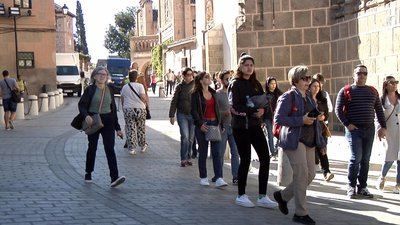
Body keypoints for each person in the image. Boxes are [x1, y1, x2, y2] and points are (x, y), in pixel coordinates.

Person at [273, 65, 324, 225]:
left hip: (309, 140)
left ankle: (283, 196)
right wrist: (300, 120)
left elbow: (311, 117)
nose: (308, 81)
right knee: (301, 175)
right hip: (294, 140)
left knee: (310, 175)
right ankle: (301, 213)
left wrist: (317, 118)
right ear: (295, 80)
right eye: (304, 78)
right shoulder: (288, 97)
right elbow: (279, 119)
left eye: (309, 78)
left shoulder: (308, 96)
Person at [229, 53, 277, 208]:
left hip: (255, 125)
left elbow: (262, 102)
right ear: (240, 66)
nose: (249, 67)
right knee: (245, 160)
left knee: (265, 157)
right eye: (246, 65)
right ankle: (241, 195)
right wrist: (251, 111)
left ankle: (262, 196)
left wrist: (262, 110)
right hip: (241, 127)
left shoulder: (256, 83)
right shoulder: (235, 84)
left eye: (251, 65)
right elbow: (234, 106)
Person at [335, 64, 386, 199]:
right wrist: (347, 124)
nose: (362, 75)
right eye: (359, 73)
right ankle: (351, 186)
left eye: (364, 73)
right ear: (354, 75)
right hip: (354, 130)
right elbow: (338, 110)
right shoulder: (346, 90)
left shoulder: (373, 91)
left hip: (369, 129)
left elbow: (379, 110)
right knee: (355, 158)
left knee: (366, 159)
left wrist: (383, 126)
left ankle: (362, 186)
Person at [78, 67, 126, 188]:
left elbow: (113, 110)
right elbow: (82, 105)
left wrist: (118, 128)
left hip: (108, 121)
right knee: (92, 147)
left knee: (110, 148)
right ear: (94, 76)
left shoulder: (109, 89)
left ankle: (114, 177)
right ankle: (88, 172)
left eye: (104, 74)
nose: (102, 76)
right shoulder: (90, 90)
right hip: (94, 120)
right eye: (100, 74)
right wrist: (86, 116)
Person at [191, 71, 228, 187]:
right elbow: (194, 111)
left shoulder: (213, 93)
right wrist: (200, 124)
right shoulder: (195, 94)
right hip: (203, 124)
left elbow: (217, 110)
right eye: (206, 77)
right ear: (201, 80)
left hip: (214, 123)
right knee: (203, 152)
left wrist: (220, 124)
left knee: (217, 152)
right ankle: (203, 177)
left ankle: (219, 178)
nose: (209, 78)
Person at [376, 76, 400, 194]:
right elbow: (377, 117)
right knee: (389, 158)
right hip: (388, 131)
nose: (395, 84)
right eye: (392, 83)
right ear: (386, 85)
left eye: (396, 82)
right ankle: (382, 177)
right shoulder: (381, 100)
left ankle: (398, 184)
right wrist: (380, 129)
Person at [216, 70, 240, 185]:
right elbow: (214, 112)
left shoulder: (234, 93)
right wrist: (223, 113)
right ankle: (219, 176)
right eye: (226, 79)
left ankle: (236, 176)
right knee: (220, 152)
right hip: (223, 126)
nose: (229, 81)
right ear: (221, 80)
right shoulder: (217, 94)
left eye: (230, 78)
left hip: (234, 126)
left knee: (235, 152)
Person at [169, 68, 195, 167]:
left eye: (191, 74)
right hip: (182, 114)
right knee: (185, 137)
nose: (190, 76)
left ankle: (189, 157)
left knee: (191, 139)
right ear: (183, 76)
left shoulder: (196, 86)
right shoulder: (179, 87)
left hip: (193, 115)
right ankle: (183, 159)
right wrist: (171, 115)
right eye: (187, 75)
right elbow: (174, 101)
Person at [309, 78, 334, 181]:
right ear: (309, 87)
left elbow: (327, 114)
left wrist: (323, 117)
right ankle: (311, 169)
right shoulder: (306, 99)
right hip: (309, 128)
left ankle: (326, 172)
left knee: (322, 149)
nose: (316, 88)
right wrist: (315, 117)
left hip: (320, 128)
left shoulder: (322, 99)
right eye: (314, 86)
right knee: (312, 150)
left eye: (318, 86)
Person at [120, 70, 148, 155]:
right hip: (140, 109)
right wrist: (145, 102)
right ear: (136, 78)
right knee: (141, 128)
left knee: (130, 128)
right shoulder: (140, 86)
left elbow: (122, 99)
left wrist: (124, 107)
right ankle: (143, 146)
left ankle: (132, 148)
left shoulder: (125, 87)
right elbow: (143, 97)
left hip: (128, 109)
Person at [264, 76, 283, 159]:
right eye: (271, 83)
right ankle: (273, 152)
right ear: (268, 85)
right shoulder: (265, 95)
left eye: (275, 83)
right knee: (270, 135)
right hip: (268, 118)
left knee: (280, 134)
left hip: (278, 118)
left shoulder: (279, 94)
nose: (273, 85)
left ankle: (276, 149)